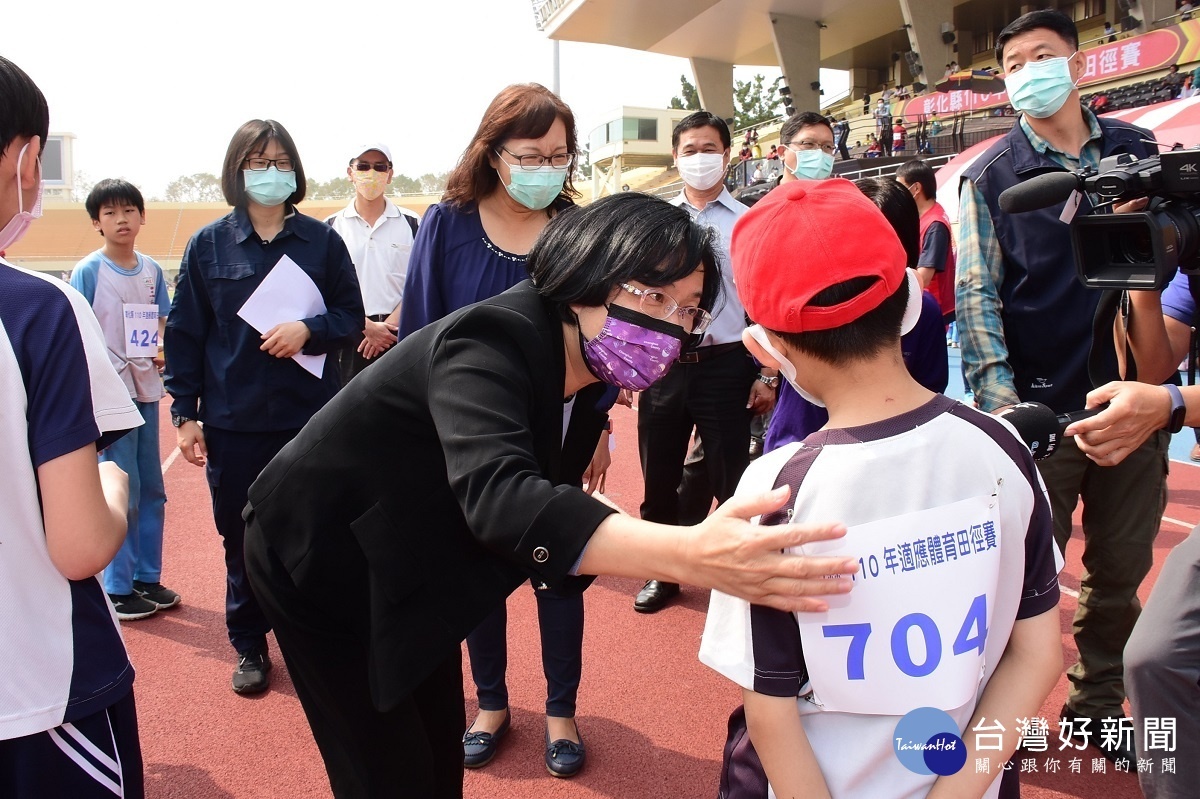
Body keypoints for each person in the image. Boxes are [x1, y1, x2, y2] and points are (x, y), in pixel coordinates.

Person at [241, 192, 861, 799]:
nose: (669, 326)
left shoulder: (591, 373)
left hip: (411, 553)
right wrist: (688, 553)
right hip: (316, 550)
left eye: (689, 310)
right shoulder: (490, 338)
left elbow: (536, 497)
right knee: (382, 767)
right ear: (584, 272)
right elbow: (502, 495)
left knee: (432, 756)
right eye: (652, 294)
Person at [701, 176, 1061, 799]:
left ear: (764, 347)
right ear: (911, 302)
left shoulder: (775, 488)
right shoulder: (1004, 450)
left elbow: (770, 709)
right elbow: (1038, 655)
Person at [956, 9, 1166, 761]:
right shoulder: (990, 176)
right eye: (1013, 64)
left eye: (1042, 56)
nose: (1028, 72)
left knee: (1121, 570)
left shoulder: (1142, 152)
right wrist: (1003, 408)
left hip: (1134, 404)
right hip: (1041, 412)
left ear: (1079, 65)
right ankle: (995, 713)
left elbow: (1170, 279)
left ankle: (1094, 703)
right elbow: (977, 295)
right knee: (1017, 578)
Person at [396, 83, 600, 775]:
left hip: (559, 432)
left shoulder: (577, 227)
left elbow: (598, 340)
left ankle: (562, 710)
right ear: (495, 153)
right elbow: (419, 331)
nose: (548, 167)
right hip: (467, 440)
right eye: (532, 154)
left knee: (562, 573)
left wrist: (597, 426)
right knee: (472, 574)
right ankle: (490, 702)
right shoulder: (447, 223)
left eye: (560, 155)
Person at [164, 119, 363, 696]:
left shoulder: (323, 243)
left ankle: (311, 637)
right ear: (237, 170)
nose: (270, 173)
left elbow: (351, 317)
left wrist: (309, 329)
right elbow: (186, 332)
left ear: (295, 172)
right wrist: (185, 412)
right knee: (241, 536)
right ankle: (249, 642)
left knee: (315, 531)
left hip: (309, 419)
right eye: (258, 161)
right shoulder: (208, 244)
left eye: (281, 163)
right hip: (234, 421)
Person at [0, 55, 146, 799]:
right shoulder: (36, 310)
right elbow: (81, 542)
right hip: (35, 687)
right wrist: (111, 483)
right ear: (26, 157)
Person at [633, 111, 777, 614]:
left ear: (728, 154)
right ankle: (663, 573)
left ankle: (734, 570)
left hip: (728, 363)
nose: (699, 159)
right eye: (689, 150)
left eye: (709, 148)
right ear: (675, 157)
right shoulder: (654, 226)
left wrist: (766, 372)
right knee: (659, 476)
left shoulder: (747, 224)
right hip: (665, 363)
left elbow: (762, 301)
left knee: (730, 475)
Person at [1065, 269, 1200, 798]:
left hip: (1154, 424)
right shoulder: (1186, 265)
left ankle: (1095, 706)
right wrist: (1142, 272)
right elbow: (1154, 368)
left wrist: (1173, 404)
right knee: (1156, 659)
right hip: (1061, 412)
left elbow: (1162, 393)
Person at [762, 177, 949, 453]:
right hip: (800, 445)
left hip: (884, 453)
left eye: (880, 241)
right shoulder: (804, 301)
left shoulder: (923, 310)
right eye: (850, 237)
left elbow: (929, 388)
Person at [71, 178, 179, 621]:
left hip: (147, 392)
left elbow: (161, 324)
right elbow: (76, 332)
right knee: (121, 488)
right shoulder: (89, 271)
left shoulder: (152, 270)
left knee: (152, 487)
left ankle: (146, 577)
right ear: (97, 222)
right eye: (110, 213)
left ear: (142, 216)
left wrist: (159, 355)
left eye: (129, 211)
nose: (121, 220)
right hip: (110, 397)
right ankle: (117, 586)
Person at [325, 143, 419, 384]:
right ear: (350, 173)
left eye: (380, 167)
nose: (371, 173)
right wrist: (363, 325)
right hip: (350, 337)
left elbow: (421, 279)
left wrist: (387, 328)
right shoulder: (330, 228)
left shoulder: (413, 224)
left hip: (400, 335)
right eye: (363, 166)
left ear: (390, 174)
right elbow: (324, 287)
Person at [896, 160, 956, 323]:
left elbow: (924, 276)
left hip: (928, 307)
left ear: (915, 188)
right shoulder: (923, 218)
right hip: (922, 303)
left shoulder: (935, 224)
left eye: (901, 186)